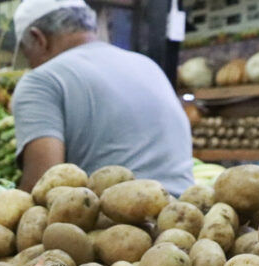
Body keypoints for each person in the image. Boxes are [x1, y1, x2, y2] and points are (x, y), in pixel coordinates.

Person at [11, 0, 194, 196]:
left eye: (28, 56)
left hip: (114, 222)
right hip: (192, 214)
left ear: (38, 39)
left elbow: (41, 186)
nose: (30, 65)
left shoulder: (41, 81)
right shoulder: (148, 65)